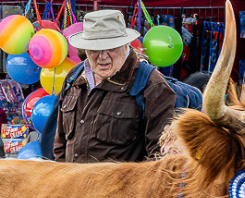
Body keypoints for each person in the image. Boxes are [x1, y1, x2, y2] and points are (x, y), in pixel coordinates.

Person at [53, 9, 176, 163]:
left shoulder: (151, 84)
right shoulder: (74, 77)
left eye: (111, 48)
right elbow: (60, 145)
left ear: (125, 45)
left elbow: (159, 159)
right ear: (85, 48)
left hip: (124, 187)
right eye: (95, 49)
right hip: (72, 185)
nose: (103, 56)